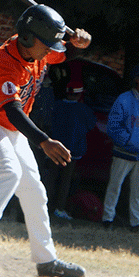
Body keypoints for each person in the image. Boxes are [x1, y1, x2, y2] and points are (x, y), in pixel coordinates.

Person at [0, 4, 90, 277]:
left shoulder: (37, 49)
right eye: (48, 43)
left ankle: (46, 261)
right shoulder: (4, 63)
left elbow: (63, 55)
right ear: (28, 39)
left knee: (34, 192)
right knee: (8, 173)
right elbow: (12, 111)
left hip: (9, 131)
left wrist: (76, 43)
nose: (52, 49)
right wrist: (43, 141)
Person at [101, 64, 139, 231]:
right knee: (115, 185)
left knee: (138, 190)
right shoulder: (124, 99)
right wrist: (130, 143)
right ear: (137, 79)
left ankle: (135, 222)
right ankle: (107, 219)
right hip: (124, 152)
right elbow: (113, 126)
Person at [47, 80, 96, 220]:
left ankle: (46, 205)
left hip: (54, 149)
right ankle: (59, 208)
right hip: (73, 151)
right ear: (79, 95)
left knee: (51, 178)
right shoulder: (83, 109)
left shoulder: (57, 105)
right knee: (65, 181)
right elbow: (91, 124)